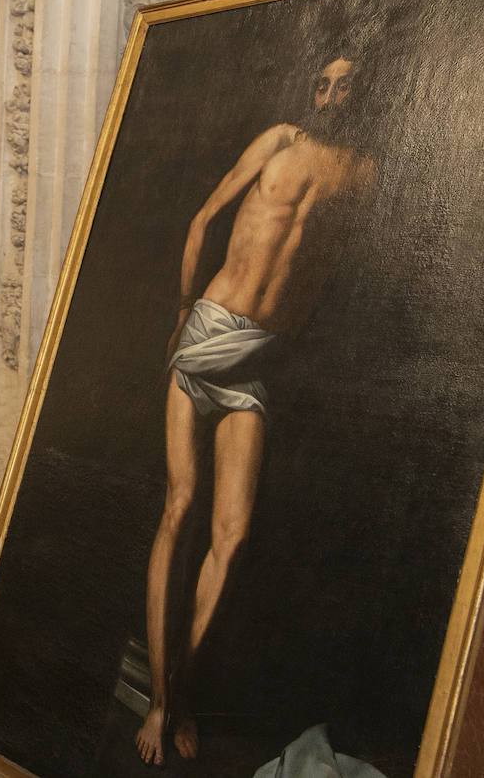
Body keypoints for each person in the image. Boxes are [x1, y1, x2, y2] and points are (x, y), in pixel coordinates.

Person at [136, 54, 377, 767]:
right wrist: (181, 312)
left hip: (260, 355)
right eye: (323, 84)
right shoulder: (278, 141)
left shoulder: (363, 176)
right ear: (312, 90)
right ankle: (156, 699)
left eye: (346, 87)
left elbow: (336, 273)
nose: (332, 96)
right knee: (179, 507)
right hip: (210, 331)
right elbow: (205, 216)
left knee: (233, 536)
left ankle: (181, 690)